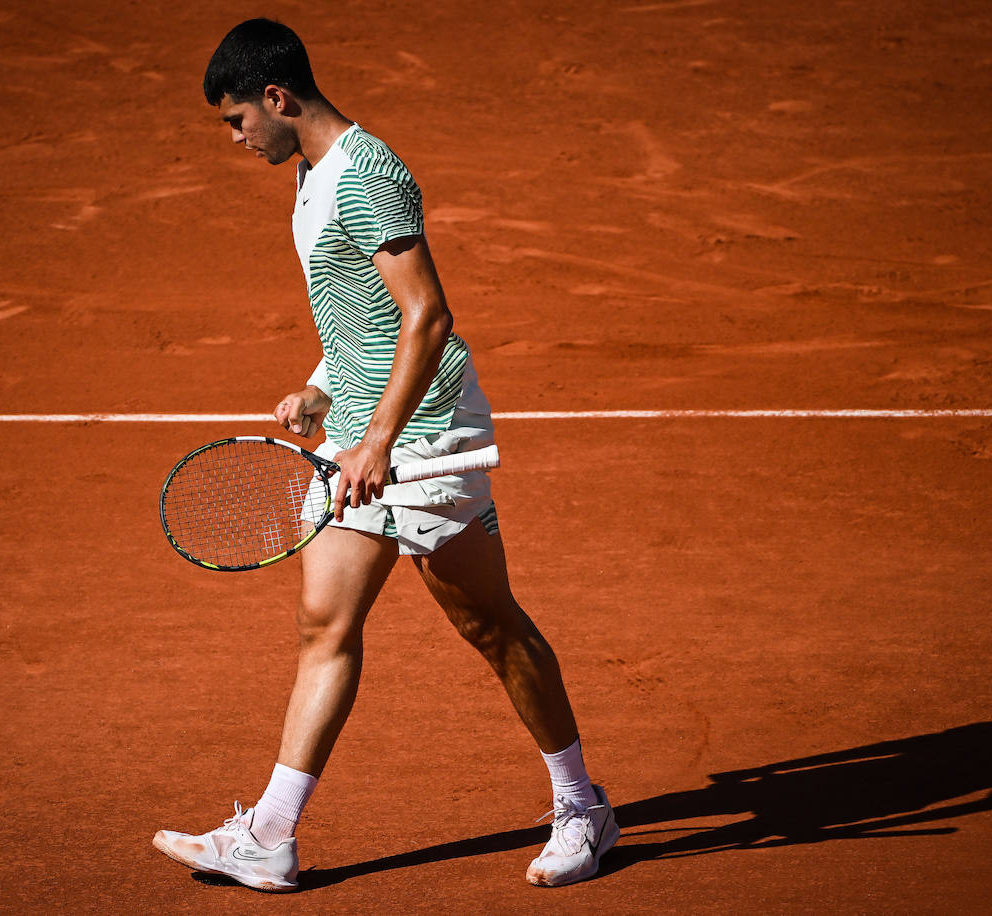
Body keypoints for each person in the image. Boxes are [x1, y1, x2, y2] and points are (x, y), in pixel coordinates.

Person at [152, 18, 618, 892]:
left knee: (489, 625)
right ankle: (271, 836)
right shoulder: (310, 173)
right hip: (363, 435)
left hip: (426, 437)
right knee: (324, 624)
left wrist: (380, 437)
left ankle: (581, 807)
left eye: (236, 119)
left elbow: (427, 316)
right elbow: (362, 316)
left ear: (277, 97)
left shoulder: (367, 175)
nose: (236, 137)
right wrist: (323, 392)